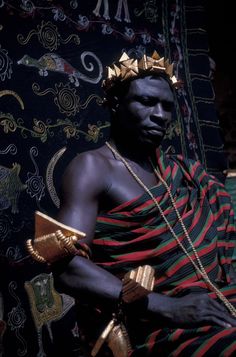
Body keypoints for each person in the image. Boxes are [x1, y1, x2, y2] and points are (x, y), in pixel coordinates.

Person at [51, 51, 236, 356]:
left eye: (166, 106)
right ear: (115, 104)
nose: (160, 115)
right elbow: (68, 269)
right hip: (158, 324)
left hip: (215, 302)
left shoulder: (183, 171)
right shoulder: (92, 168)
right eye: (147, 102)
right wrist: (168, 307)